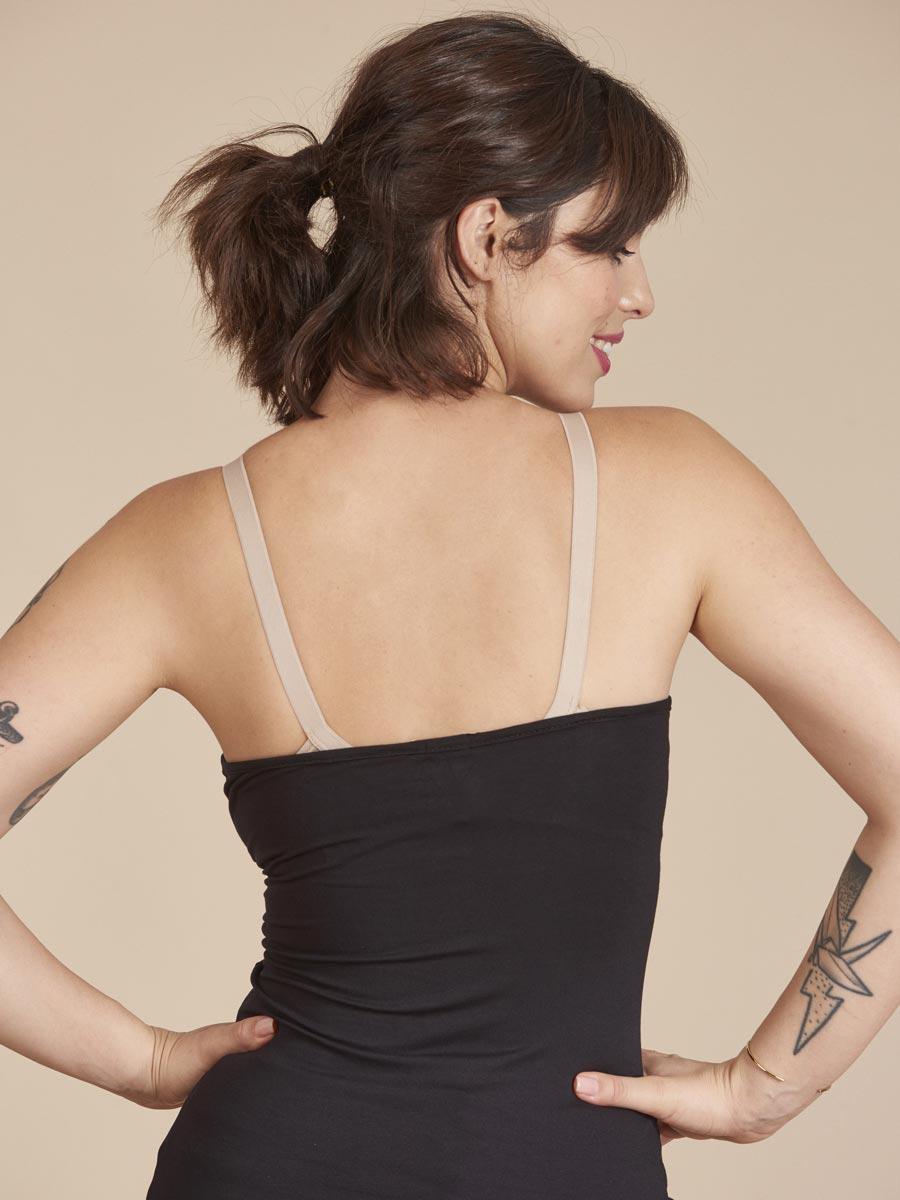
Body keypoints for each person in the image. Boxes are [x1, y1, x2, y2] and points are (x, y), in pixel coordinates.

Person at [1, 12, 897, 1199]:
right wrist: (764, 1088)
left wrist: (145, 1062)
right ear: (485, 238)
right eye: (609, 245)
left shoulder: (181, 538)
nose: (638, 293)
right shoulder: (675, 483)